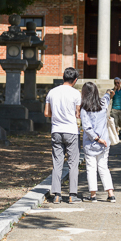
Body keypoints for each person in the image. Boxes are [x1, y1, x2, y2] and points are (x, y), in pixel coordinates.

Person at [44, 67, 82, 204]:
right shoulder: (76, 94)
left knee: (57, 163)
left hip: (56, 130)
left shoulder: (52, 92)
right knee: (73, 163)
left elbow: (46, 113)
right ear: (75, 80)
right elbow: (78, 114)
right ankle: (72, 195)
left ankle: (57, 195)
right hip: (71, 130)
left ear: (63, 77)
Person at [80, 82, 117, 203]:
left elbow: (86, 127)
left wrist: (96, 138)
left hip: (90, 143)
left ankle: (93, 195)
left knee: (91, 168)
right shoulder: (103, 103)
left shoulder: (85, 107)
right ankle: (110, 194)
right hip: (104, 142)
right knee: (104, 167)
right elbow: (107, 97)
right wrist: (109, 92)